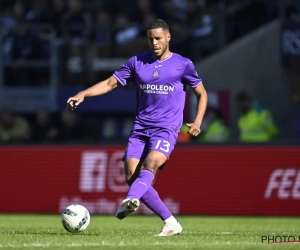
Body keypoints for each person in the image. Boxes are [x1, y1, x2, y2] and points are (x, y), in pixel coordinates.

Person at [67, 19, 208, 236]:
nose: (155, 43)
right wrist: (83, 93)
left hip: (166, 128)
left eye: (158, 38)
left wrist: (197, 121)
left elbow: (202, 93)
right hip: (140, 128)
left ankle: (131, 199)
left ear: (168, 37)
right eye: (151, 39)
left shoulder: (183, 64)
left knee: (150, 165)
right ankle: (171, 222)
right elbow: (109, 84)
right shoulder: (137, 62)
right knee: (132, 176)